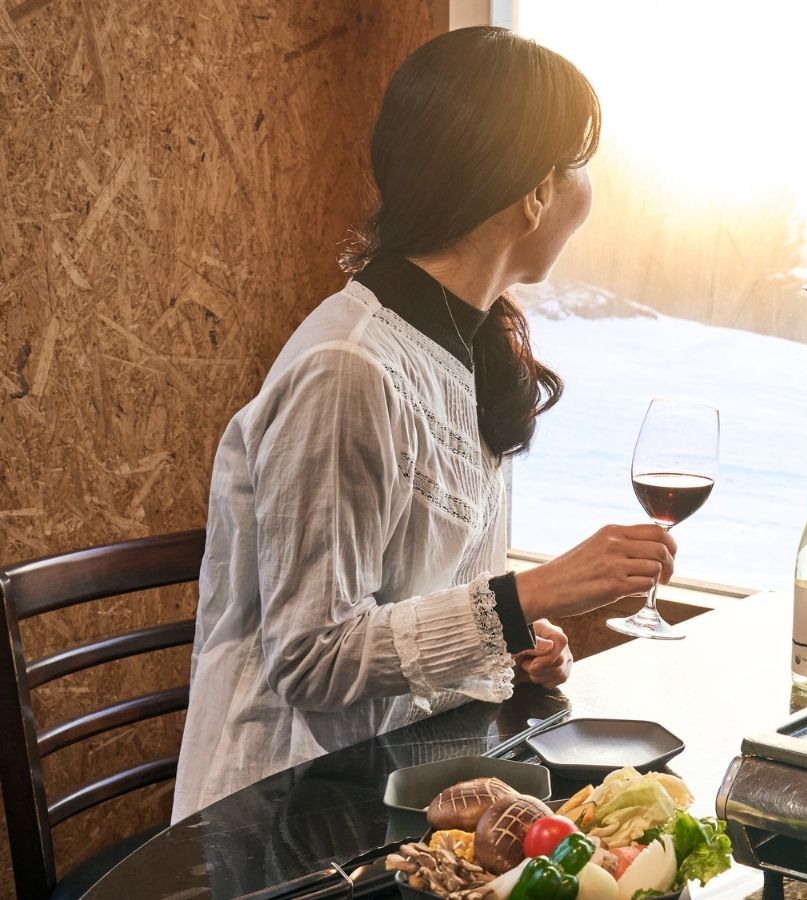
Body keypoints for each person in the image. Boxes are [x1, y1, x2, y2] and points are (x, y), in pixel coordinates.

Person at [171, 27, 673, 821]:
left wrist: (508, 640)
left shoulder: (462, 346)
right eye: (575, 166)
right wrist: (521, 596)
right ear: (533, 192)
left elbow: (408, 597)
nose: (588, 190)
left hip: (408, 787)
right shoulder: (350, 368)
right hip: (285, 819)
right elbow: (313, 659)